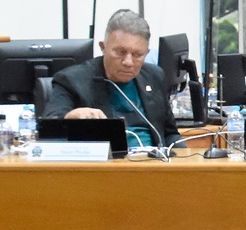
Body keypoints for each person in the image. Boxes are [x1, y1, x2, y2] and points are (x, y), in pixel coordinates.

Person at [40, 8, 176, 150]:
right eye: (120, 52)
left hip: (155, 164)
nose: (128, 62)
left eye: (137, 54)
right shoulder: (71, 80)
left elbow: (170, 134)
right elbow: (49, 129)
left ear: (146, 53)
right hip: (106, 166)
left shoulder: (154, 76)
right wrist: (70, 117)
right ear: (103, 47)